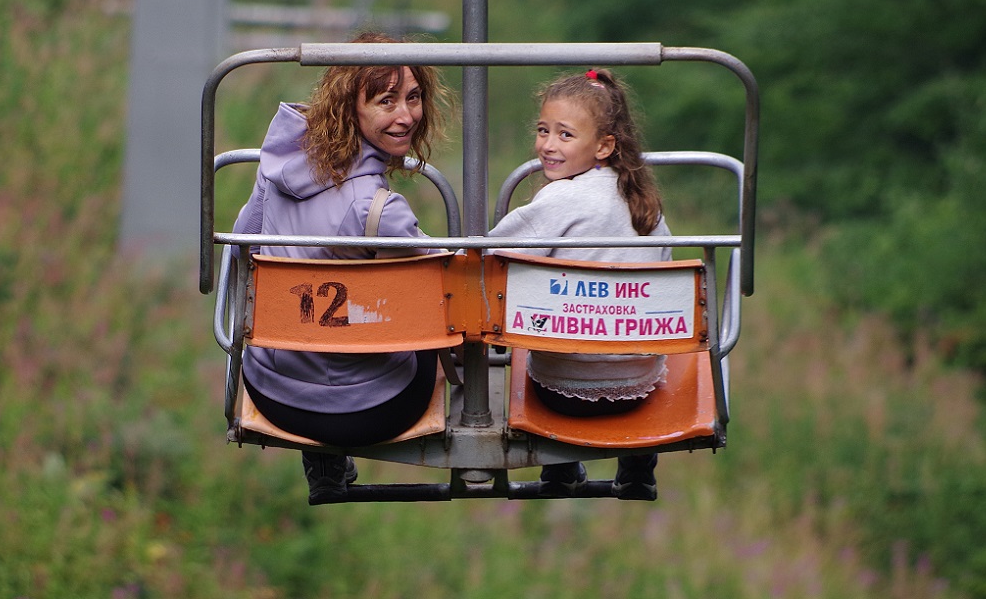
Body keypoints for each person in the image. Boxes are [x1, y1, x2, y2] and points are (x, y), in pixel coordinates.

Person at [232, 32, 452, 504]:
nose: (406, 115)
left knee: (322, 313)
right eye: (386, 101)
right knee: (440, 325)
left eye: (413, 98)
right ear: (351, 108)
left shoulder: (276, 169)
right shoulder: (378, 210)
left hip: (271, 391)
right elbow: (445, 287)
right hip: (365, 411)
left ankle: (325, 461)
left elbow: (242, 246)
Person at [489, 68, 668, 500]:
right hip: (637, 385)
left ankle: (560, 469)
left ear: (604, 146)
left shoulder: (560, 199)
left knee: (532, 336)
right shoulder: (647, 207)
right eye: (543, 130)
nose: (548, 145)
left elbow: (491, 253)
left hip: (562, 391)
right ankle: (637, 467)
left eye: (565, 135)